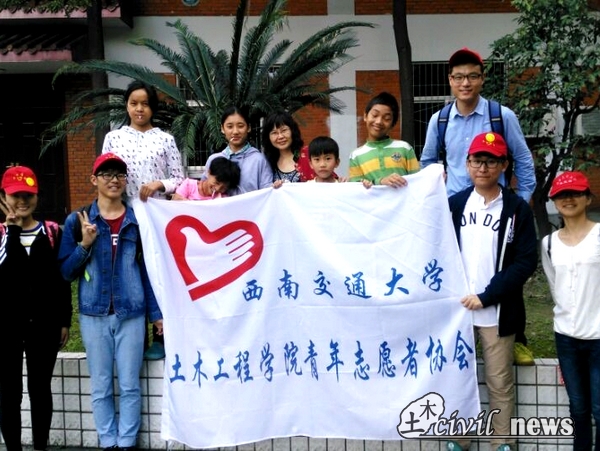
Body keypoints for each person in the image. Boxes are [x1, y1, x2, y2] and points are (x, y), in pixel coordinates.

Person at [420, 47, 537, 366]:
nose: (465, 83)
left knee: (504, 268)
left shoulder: (501, 116)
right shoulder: (440, 120)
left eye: (472, 76)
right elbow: (428, 160)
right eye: (459, 77)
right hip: (457, 211)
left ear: (482, 79)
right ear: (449, 80)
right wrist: (437, 188)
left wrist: (520, 202)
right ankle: (460, 332)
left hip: (498, 206)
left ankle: (514, 336)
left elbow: (522, 158)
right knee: (460, 271)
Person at [58, 153, 162, 451]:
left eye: (119, 174)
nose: (113, 180)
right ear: (94, 179)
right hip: (93, 314)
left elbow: (146, 270)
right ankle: (108, 442)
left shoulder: (137, 220)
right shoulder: (78, 220)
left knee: (130, 385)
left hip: (132, 313)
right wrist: (84, 245)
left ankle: (126, 443)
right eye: (106, 174)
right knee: (101, 385)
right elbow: (66, 272)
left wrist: (155, 314)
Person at [447, 132, 537, 451]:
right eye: (477, 161)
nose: (482, 168)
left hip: (496, 312)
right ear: (467, 164)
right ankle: (460, 438)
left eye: (490, 161)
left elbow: (525, 262)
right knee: (459, 379)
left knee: (500, 381)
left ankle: (502, 442)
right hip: (458, 313)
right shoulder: (455, 205)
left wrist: (487, 296)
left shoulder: (516, 209)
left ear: (503, 165)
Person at [102, 80, 184, 360]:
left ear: (153, 108)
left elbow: (180, 179)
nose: (139, 109)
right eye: (134, 103)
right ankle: (135, 336)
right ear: (126, 106)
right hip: (123, 215)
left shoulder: (165, 139)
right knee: (129, 272)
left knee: (157, 272)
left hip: (157, 215)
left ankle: (161, 335)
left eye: (145, 104)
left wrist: (160, 184)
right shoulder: (114, 138)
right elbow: (104, 174)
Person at [0, 166, 72, 451]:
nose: (22, 201)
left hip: (44, 324)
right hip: (7, 325)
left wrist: (64, 320)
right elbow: (8, 274)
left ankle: (41, 447)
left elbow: (61, 280)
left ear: (37, 196)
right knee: (9, 393)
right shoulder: (1, 235)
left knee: (40, 390)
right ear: (3, 196)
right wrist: (13, 231)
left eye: (28, 195)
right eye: (15, 195)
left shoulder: (51, 231)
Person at [541, 171, 600, 451]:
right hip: (566, 336)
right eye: (562, 195)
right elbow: (555, 286)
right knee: (577, 407)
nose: (568, 199)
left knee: (599, 408)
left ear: (588, 198)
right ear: (554, 201)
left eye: (575, 193)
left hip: (599, 335)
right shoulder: (549, 243)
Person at [348, 91, 419, 187]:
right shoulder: (356, 156)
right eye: (375, 115)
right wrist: (380, 181)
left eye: (386, 118)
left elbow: (417, 181)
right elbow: (356, 187)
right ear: (365, 116)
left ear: (393, 124)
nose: (379, 122)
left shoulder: (405, 148)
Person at [203, 106, 273, 195]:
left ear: (248, 127)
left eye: (240, 126)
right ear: (222, 129)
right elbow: (203, 193)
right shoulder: (213, 160)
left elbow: (267, 194)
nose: (235, 131)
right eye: (230, 126)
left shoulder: (259, 160)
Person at [262, 110, 304, 185]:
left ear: (292, 131)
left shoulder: (306, 157)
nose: (280, 136)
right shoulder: (266, 163)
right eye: (274, 133)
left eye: (284, 130)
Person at [171, 157, 240, 200]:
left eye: (223, 188)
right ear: (209, 172)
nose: (217, 188)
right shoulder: (188, 185)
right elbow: (176, 203)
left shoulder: (223, 199)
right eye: (216, 183)